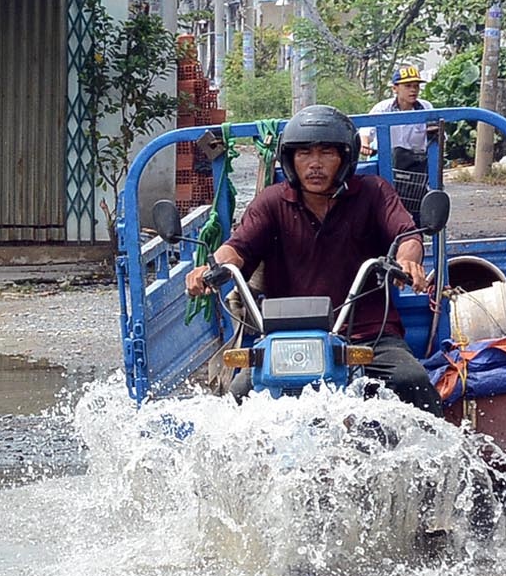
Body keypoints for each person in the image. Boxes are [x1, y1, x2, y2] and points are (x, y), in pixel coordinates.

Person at [186, 104, 444, 414]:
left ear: (345, 158)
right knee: (239, 398)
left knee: (411, 380)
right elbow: (237, 248)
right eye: (304, 154)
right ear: (291, 160)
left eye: (326, 153)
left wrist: (407, 262)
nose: (315, 164)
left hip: (367, 335)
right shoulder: (271, 202)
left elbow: (407, 236)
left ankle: (441, 458)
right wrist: (211, 269)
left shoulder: (374, 192)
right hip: (287, 340)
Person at [363, 64, 443, 208]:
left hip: (416, 165)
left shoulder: (426, 107)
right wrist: (364, 144)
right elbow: (366, 131)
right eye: (408, 86)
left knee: (419, 202)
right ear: (395, 88)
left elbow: (439, 136)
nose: (413, 90)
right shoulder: (382, 108)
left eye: (416, 86)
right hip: (389, 164)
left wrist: (436, 132)